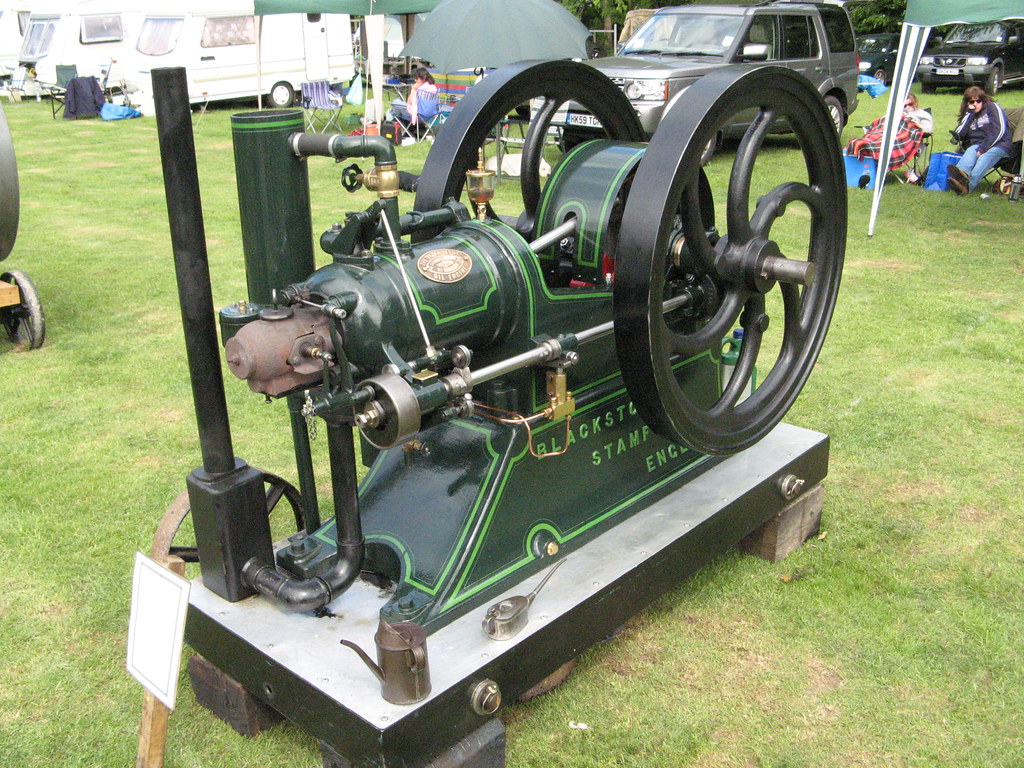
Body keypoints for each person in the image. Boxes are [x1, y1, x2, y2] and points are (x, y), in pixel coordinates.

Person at [845, 93, 933, 185]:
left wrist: (910, 122)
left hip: (903, 135)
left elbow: (927, 129)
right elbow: (881, 122)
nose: (907, 107)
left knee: (888, 144)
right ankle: (867, 146)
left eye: (910, 105)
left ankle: (875, 158)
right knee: (875, 139)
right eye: (904, 105)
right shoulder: (895, 112)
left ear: (915, 103)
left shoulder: (922, 114)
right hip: (885, 131)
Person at [947, 86, 1012, 196]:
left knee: (984, 157)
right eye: (972, 101)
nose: (975, 103)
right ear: (967, 103)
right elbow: (959, 135)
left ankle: (966, 187)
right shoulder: (970, 114)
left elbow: (999, 130)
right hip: (978, 145)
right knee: (971, 150)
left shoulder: (992, 107)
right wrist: (969, 113)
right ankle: (960, 178)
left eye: (978, 101)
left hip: (999, 144)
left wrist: (984, 148)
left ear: (983, 100)